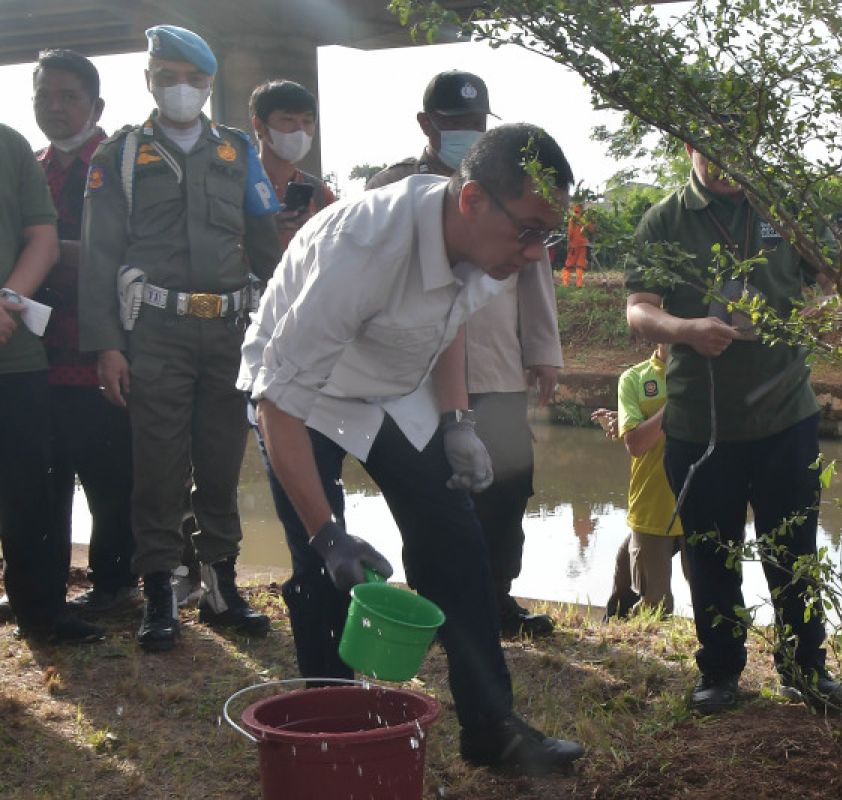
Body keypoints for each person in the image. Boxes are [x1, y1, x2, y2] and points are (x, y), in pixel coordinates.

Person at [240, 123, 584, 775]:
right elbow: (276, 404)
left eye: (550, 233)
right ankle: (330, 735)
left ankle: (492, 730)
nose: (539, 253)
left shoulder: (488, 243)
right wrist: (328, 536)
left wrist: (456, 421)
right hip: (301, 392)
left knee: (458, 545)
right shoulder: (363, 246)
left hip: (389, 389)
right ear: (474, 199)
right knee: (324, 572)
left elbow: (444, 322)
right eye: (532, 230)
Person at [624, 141, 842, 716]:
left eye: (737, 145)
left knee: (792, 546)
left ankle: (804, 668)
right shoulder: (665, 220)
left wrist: (817, 312)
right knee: (711, 553)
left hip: (785, 416)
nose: (724, 159)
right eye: (711, 147)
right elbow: (639, 310)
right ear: (689, 144)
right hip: (703, 423)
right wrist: (686, 328)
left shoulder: (781, 211)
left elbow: (832, 278)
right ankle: (720, 670)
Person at [79, 25, 279, 652]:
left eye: (195, 80)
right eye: (170, 78)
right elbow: (99, 256)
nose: (183, 90)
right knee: (158, 468)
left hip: (229, 330)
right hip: (156, 333)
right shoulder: (119, 156)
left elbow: (267, 243)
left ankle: (222, 585)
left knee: (221, 464)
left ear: (210, 86)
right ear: (149, 81)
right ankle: (160, 590)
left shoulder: (238, 152)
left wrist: (277, 325)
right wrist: (108, 345)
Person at [367, 70, 563, 638]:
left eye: (476, 124)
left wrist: (542, 348)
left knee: (508, 486)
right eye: (454, 124)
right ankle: (435, 604)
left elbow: (536, 267)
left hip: (497, 361)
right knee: (429, 491)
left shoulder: (513, 182)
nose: (467, 133)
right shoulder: (394, 186)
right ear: (427, 125)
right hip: (419, 372)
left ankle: (496, 596)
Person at [31, 49, 139, 617]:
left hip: (104, 348)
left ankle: (115, 584)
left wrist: (40, 254)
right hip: (36, 354)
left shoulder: (122, 164)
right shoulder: (30, 165)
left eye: (68, 95)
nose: (55, 106)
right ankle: (44, 588)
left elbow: (130, 255)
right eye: (45, 95)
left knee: (109, 479)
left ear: (96, 104)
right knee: (43, 479)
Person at [0, 121, 104, 644]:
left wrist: (7, 301)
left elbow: (42, 239)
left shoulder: (10, 145)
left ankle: (39, 610)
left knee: (29, 492)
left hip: (14, 353)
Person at [593, 343, 689, 620]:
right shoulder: (634, 378)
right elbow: (636, 443)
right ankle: (620, 630)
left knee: (713, 596)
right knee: (655, 605)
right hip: (653, 504)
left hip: (704, 505)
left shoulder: (713, 375)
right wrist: (675, 402)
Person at [248, 79, 337, 250]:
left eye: (307, 121)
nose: (300, 130)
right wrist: (261, 230)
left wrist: (317, 229)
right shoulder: (236, 185)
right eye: (288, 120)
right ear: (259, 125)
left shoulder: (319, 192)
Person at [563, 202, 590, 288]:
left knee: (569, 264)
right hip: (583, 244)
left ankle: (565, 284)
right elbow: (591, 229)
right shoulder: (584, 220)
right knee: (580, 264)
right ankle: (579, 284)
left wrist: (568, 244)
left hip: (573, 245)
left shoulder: (572, 220)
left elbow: (570, 233)